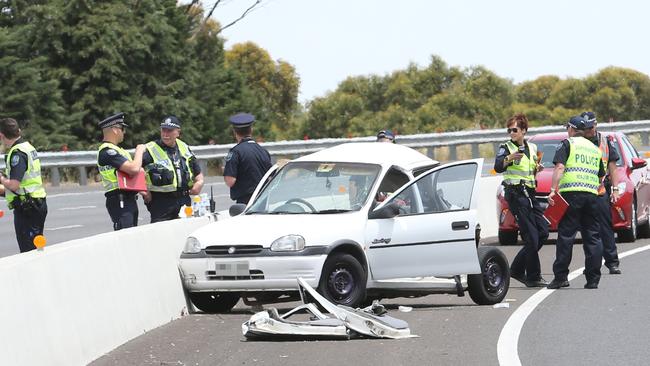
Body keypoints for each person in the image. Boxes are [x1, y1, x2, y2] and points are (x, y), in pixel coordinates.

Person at [547, 115, 605, 289]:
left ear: (571, 129)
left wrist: (552, 190)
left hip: (571, 195)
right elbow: (601, 175)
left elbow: (559, 167)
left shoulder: (567, 144)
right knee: (593, 236)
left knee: (566, 236)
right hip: (591, 195)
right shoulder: (595, 149)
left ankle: (561, 277)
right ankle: (593, 279)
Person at [494, 113, 549, 287]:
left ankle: (516, 269)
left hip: (530, 194)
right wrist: (509, 158)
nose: (511, 133)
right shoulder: (506, 147)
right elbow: (497, 166)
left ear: (524, 130)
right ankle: (533, 276)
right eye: (509, 130)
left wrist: (537, 169)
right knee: (531, 237)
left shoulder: (532, 148)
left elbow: (530, 171)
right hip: (516, 194)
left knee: (543, 232)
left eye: (515, 130)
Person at [141, 115, 204, 222]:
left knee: (184, 233)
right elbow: (137, 171)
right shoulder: (150, 149)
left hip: (184, 200)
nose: (165, 134)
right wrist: (144, 192)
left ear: (178, 132)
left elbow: (197, 172)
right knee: (162, 235)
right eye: (163, 130)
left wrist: (199, 183)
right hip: (161, 202)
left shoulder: (184, 147)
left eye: (169, 131)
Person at [582, 111, 622, 275]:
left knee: (605, 227)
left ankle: (612, 262)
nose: (588, 131)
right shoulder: (577, 142)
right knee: (587, 230)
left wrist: (615, 188)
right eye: (585, 128)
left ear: (596, 125)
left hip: (600, 190)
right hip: (582, 189)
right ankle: (591, 265)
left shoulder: (605, 141)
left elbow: (612, 167)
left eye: (591, 127)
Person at [0, 118, 48, 253]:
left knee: (29, 251)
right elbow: (23, 185)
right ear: (18, 131)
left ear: (1, 135)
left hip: (28, 208)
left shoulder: (17, 153)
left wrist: (1, 178)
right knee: (37, 248)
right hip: (36, 202)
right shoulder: (28, 147)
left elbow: (14, 185)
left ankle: (36, 273)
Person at [96, 112, 146, 230]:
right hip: (119, 199)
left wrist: (142, 190)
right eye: (122, 128)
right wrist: (139, 151)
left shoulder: (119, 150)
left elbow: (128, 177)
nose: (124, 132)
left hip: (128, 198)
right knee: (125, 236)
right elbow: (133, 169)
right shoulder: (107, 151)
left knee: (131, 235)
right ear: (114, 129)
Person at [223, 113, 272, 204]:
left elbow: (230, 181)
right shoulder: (263, 151)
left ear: (235, 132)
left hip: (244, 202)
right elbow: (270, 177)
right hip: (263, 201)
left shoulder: (235, 152)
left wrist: (226, 170)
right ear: (251, 130)